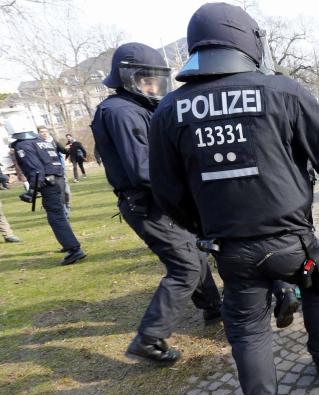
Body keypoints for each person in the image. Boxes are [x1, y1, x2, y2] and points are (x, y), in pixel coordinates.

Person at [148, 3, 319, 395]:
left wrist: (204, 228)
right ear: (245, 39)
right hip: (293, 242)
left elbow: (166, 192)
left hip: (232, 250)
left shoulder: (168, 111)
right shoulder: (281, 91)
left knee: (247, 329)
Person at [91, 42, 223, 365]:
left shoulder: (136, 108)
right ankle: (149, 338)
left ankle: (212, 305)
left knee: (195, 250)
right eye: (146, 81)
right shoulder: (120, 111)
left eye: (156, 81)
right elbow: (142, 169)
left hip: (159, 200)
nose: (153, 88)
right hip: (149, 205)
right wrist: (187, 182)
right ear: (127, 78)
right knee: (186, 266)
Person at [6, 116, 85, 264]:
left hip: (48, 184)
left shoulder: (23, 145)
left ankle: (73, 249)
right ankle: (70, 245)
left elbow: (35, 170)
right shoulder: (41, 141)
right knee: (59, 214)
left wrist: (32, 190)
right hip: (58, 179)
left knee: (56, 217)